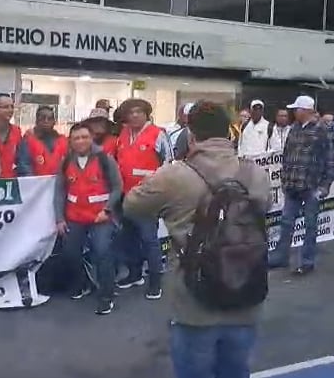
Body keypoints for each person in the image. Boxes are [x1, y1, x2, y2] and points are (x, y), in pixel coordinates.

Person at [123, 100, 271, 378]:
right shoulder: (256, 173)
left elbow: (132, 205)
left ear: (191, 136)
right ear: (229, 133)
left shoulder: (175, 175)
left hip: (195, 302)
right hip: (247, 294)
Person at [54, 122, 123, 315]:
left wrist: (108, 210)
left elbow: (117, 187)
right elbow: (60, 191)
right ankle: (83, 284)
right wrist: (59, 218)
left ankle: (106, 296)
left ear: (91, 138)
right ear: (71, 141)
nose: (81, 141)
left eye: (85, 137)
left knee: (102, 252)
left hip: (100, 217)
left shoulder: (105, 159)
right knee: (70, 253)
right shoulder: (66, 161)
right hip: (75, 217)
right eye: (76, 138)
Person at [271, 95, 334, 274]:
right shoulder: (295, 129)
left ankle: (307, 261)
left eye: (296, 109)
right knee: (286, 223)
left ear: (305, 110)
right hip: (292, 185)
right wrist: (285, 179)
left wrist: (324, 187)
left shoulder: (322, 130)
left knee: (310, 225)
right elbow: (286, 156)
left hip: (311, 187)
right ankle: (281, 257)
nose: (294, 112)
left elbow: (330, 160)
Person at [115, 99, 172, 299]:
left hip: (148, 197)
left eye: (139, 112)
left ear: (147, 114)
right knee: (128, 238)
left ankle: (155, 281)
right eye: (131, 112)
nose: (135, 115)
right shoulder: (122, 134)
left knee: (149, 240)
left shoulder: (158, 133)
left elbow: (168, 164)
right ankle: (134, 274)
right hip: (125, 196)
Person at [17, 106, 68, 176]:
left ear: (54, 122)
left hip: (59, 185)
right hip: (36, 185)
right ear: (37, 121)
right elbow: (24, 166)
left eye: (49, 119)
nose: (46, 121)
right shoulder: (28, 141)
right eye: (43, 118)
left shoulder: (63, 141)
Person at [0, 93, 23, 178]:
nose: (10, 110)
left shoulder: (16, 131)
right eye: (5, 107)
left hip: (10, 181)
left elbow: (20, 158)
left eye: (12, 107)